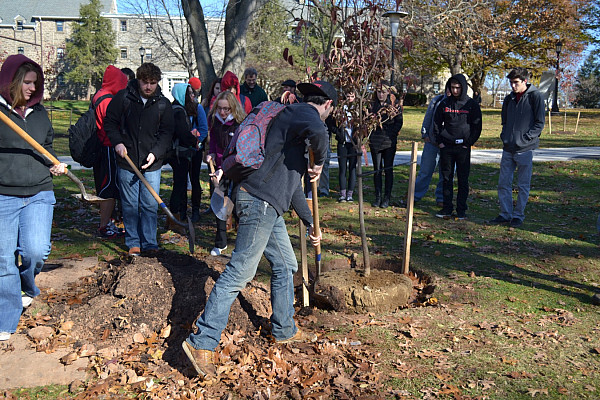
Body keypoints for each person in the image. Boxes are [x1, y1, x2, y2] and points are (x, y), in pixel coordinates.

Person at [182, 80, 336, 378]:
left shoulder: (294, 129)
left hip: (269, 205)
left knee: (285, 263)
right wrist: (322, 161)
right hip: (259, 203)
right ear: (328, 105)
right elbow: (319, 131)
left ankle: (284, 329)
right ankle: (202, 341)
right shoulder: (304, 114)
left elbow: (291, 189)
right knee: (240, 271)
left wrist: (309, 223)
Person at [0, 54, 68, 341]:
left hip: (40, 192)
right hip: (4, 195)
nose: (32, 88)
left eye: (35, 83)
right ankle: (6, 316)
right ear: (11, 82)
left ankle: (27, 286)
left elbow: (48, 146)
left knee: (35, 252)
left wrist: (55, 164)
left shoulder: (40, 113)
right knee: (3, 259)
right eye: (26, 82)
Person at [104, 63, 174, 256]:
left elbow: (167, 132)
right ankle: (133, 241)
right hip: (127, 161)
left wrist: (156, 152)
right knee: (129, 204)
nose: (149, 87)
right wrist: (117, 142)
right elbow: (109, 122)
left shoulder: (162, 103)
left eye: (153, 83)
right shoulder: (124, 98)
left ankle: (150, 242)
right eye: (145, 82)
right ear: (138, 80)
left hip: (152, 163)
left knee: (150, 204)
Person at [488, 67, 545, 228]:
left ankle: (518, 215)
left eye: (516, 83)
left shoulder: (536, 97)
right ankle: (505, 214)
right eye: (511, 83)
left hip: (525, 148)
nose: (513, 86)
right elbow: (504, 120)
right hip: (508, 147)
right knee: (503, 183)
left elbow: (540, 123)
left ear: (525, 81)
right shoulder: (509, 99)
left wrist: (526, 138)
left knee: (523, 185)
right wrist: (505, 135)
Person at [433, 74, 482, 220]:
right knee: (447, 178)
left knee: (463, 179)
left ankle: (461, 210)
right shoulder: (444, 104)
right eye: (452, 87)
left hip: (463, 148)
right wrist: (440, 142)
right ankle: (447, 208)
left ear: (463, 87)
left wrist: (469, 143)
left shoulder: (471, 105)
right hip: (446, 147)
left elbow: (477, 126)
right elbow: (436, 123)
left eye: (458, 87)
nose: (455, 90)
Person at [205, 91, 247, 256]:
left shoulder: (240, 124)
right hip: (219, 168)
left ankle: (242, 245)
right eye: (220, 108)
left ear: (233, 108)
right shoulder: (214, 120)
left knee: (237, 205)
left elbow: (239, 151)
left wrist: (224, 169)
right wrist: (212, 153)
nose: (222, 112)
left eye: (226, 109)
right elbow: (214, 141)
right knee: (219, 204)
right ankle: (220, 243)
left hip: (237, 168)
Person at [93, 65, 128, 238]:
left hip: (104, 146)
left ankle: (109, 223)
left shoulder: (100, 95)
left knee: (108, 186)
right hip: (107, 146)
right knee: (108, 187)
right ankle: (104, 226)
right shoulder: (106, 100)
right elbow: (111, 124)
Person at [166, 83, 201, 231]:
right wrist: (195, 141)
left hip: (178, 154)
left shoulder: (177, 109)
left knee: (180, 185)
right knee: (179, 186)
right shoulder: (178, 111)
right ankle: (174, 219)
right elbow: (182, 134)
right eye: (190, 94)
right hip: (178, 155)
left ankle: (175, 218)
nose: (193, 96)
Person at [413, 86, 451, 206]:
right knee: (425, 171)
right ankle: (415, 196)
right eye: (449, 89)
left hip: (448, 145)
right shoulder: (436, 101)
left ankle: (441, 198)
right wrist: (425, 134)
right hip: (432, 143)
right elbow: (428, 118)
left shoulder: (458, 103)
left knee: (445, 174)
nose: (451, 92)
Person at [369, 81, 403, 208]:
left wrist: (391, 134)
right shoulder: (372, 106)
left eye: (383, 92)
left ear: (388, 92)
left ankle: (386, 198)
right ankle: (377, 197)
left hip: (389, 142)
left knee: (388, 169)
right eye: (378, 92)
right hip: (375, 141)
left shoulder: (394, 106)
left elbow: (399, 122)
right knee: (377, 170)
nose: (380, 95)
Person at [189, 83, 209, 222]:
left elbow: (203, 128)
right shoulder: (178, 108)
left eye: (193, 93)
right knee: (180, 181)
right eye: (189, 94)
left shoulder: (198, 107)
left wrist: (197, 142)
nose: (192, 96)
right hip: (180, 150)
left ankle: (196, 209)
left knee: (195, 179)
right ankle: (180, 211)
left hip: (195, 149)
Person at [336, 91, 358, 202]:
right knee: (342, 169)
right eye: (348, 96)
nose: (350, 98)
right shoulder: (340, 110)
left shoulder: (358, 110)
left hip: (353, 144)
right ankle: (343, 194)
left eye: (352, 96)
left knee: (352, 169)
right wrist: (339, 134)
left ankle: (350, 194)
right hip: (343, 143)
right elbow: (332, 124)